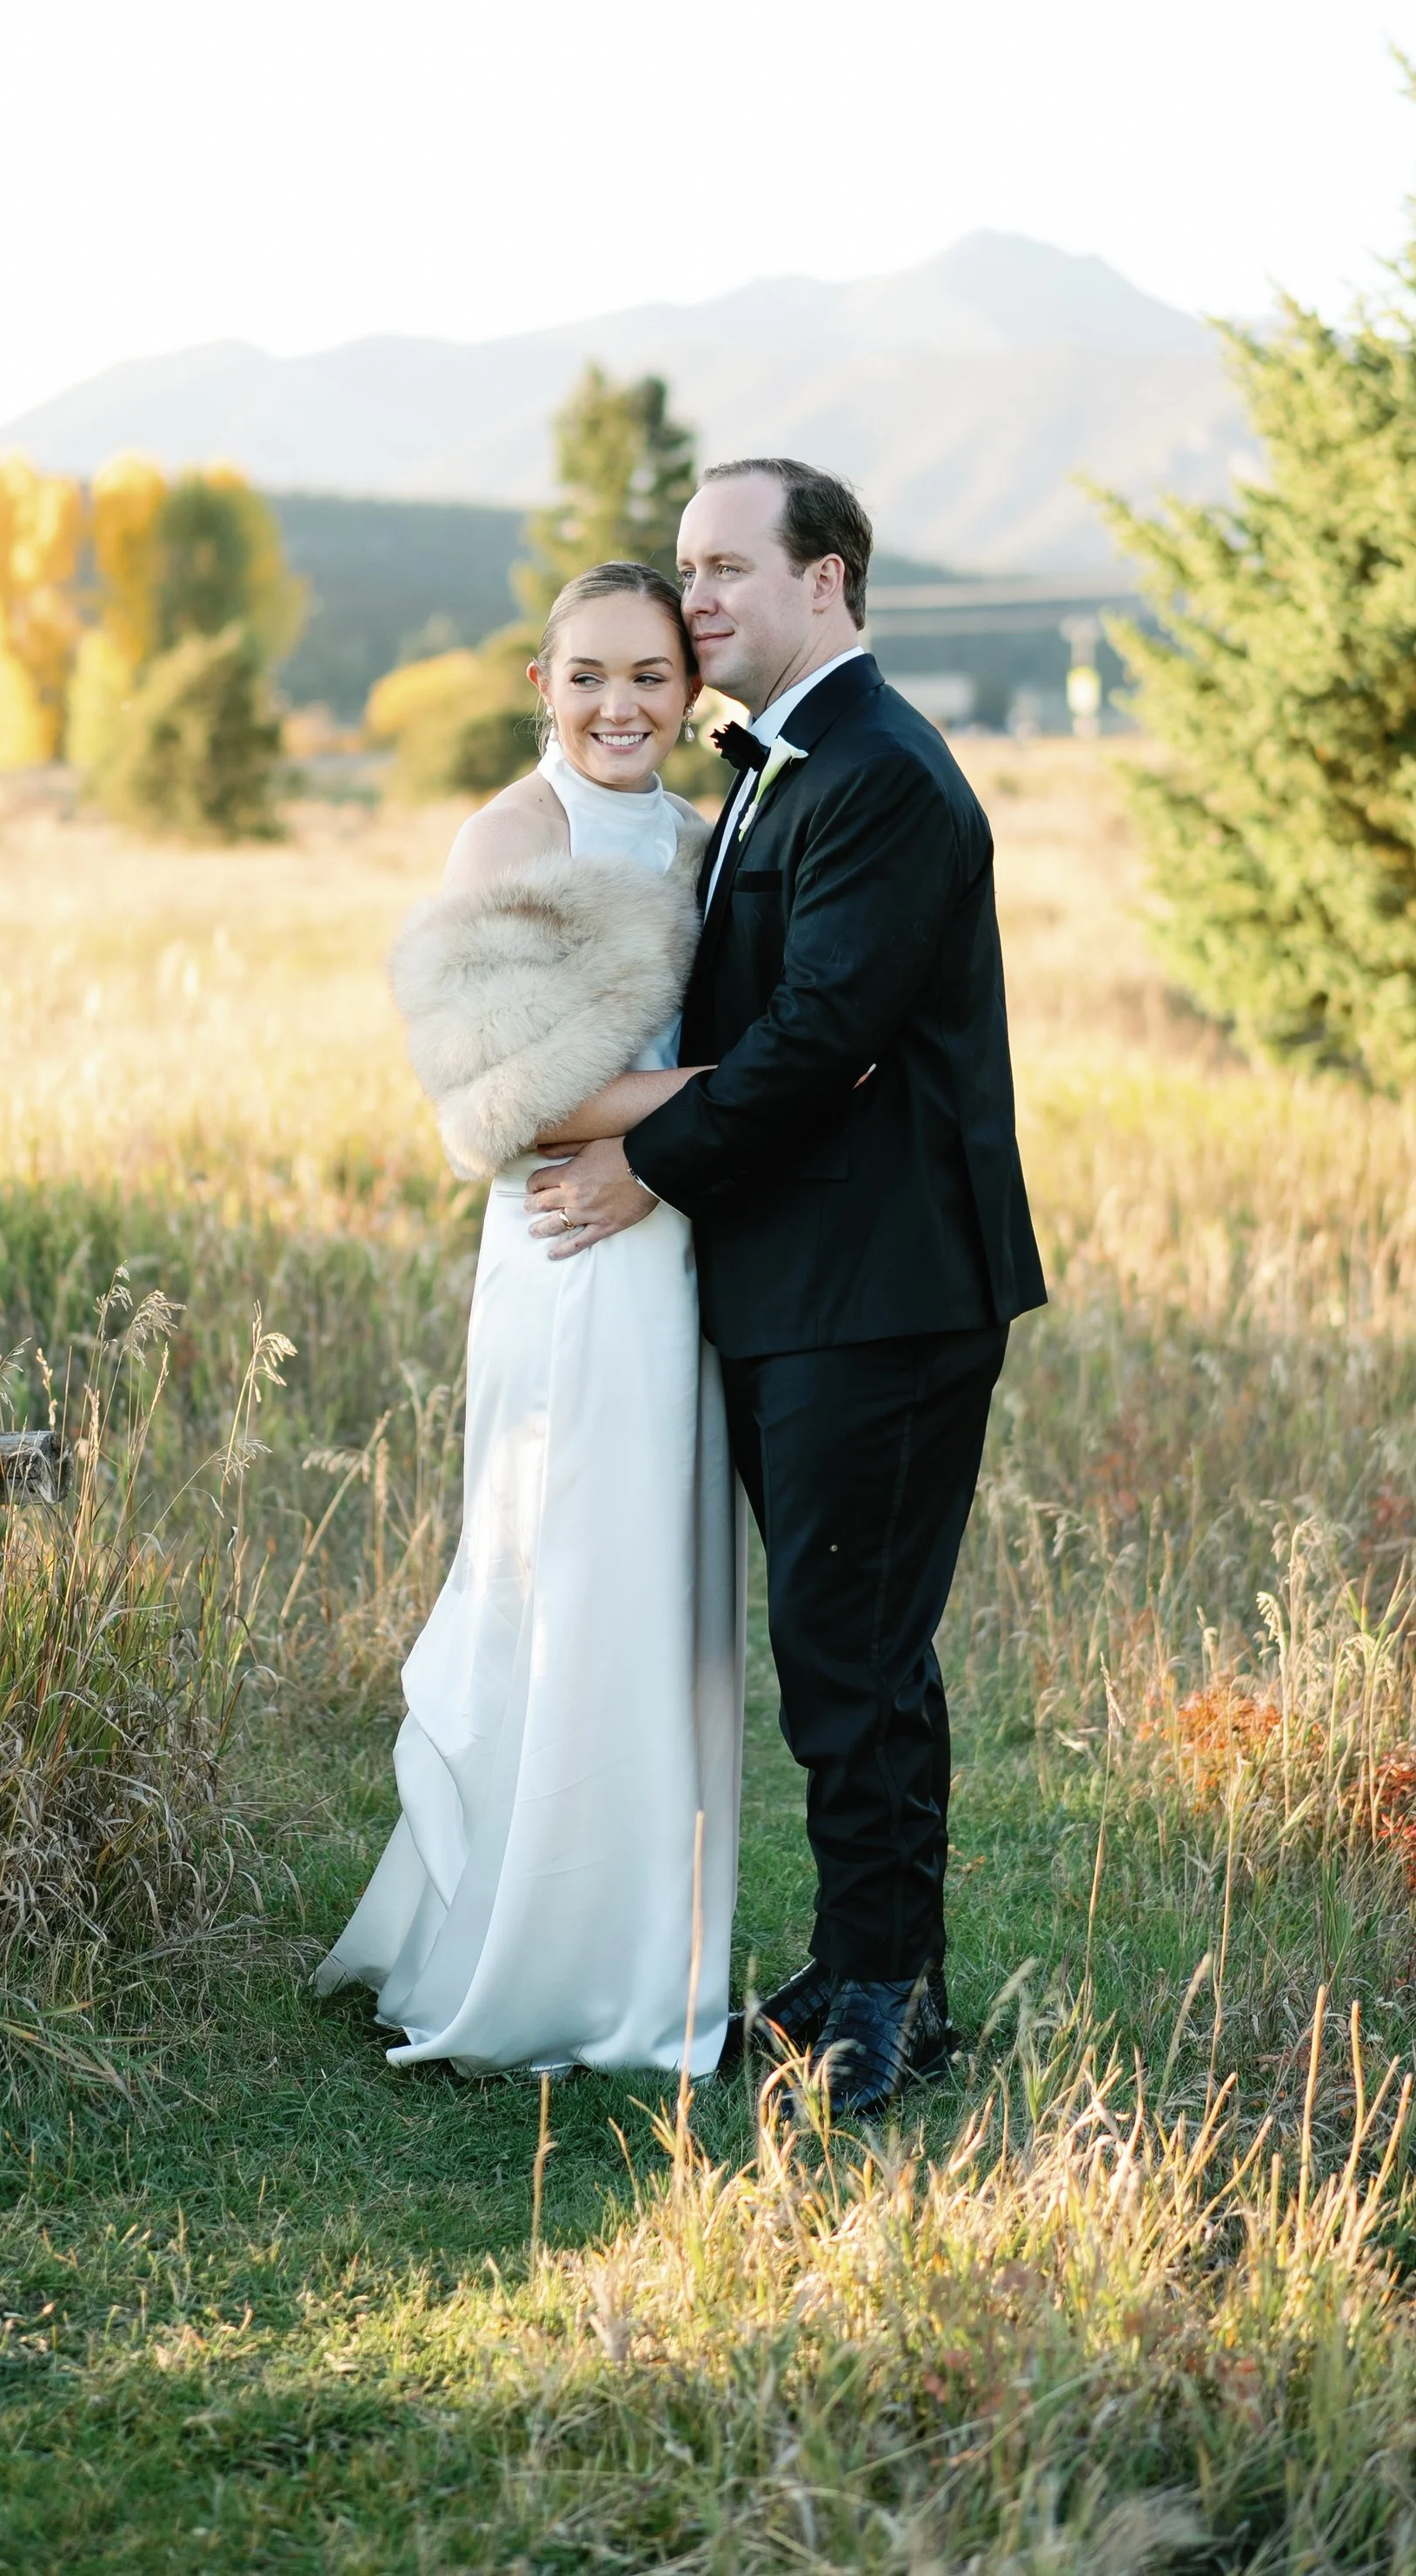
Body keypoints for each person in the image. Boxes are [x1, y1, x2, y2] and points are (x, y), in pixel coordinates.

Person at [525, 461, 1047, 2116]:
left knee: (857, 1654)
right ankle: (858, 1954)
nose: (698, 602)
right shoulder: (783, 763)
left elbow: (824, 1041)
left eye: (730, 568)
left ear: (828, 581)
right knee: (840, 1641)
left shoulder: (883, 772)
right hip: (807, 1282)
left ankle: (888, 1997)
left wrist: (640, 1167)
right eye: (687, 570)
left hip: (884, 1288)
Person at [316, 561, 747, 2076]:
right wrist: (739, 1100)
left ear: (689, 690)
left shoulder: (702, 834)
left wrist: (686, 1142)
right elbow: (515, 1094)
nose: (620, 706)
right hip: (567, 1251)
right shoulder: (513, 832)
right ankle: (526, 1963)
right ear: (540, 686)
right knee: (561, 1564)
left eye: (650, 676)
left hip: (675, 1234)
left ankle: (648, 1959)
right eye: (590, 677)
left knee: (658, 1586)